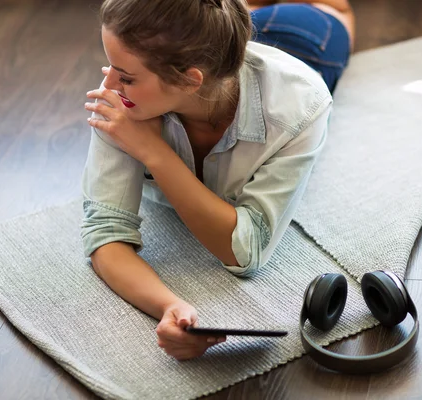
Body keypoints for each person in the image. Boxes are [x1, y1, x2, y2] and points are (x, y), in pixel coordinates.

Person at [81, 0, 355, 361]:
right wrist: (169, 306)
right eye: (111, 67)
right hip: (218, 49)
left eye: (126, 77)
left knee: (334, 15)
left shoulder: (302, 105)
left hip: (298, 40)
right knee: (219, 25)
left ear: (189, 80)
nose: (109, 84)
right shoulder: (124, 100)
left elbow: (246, 251)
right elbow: (105, 232)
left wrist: (154, 151)